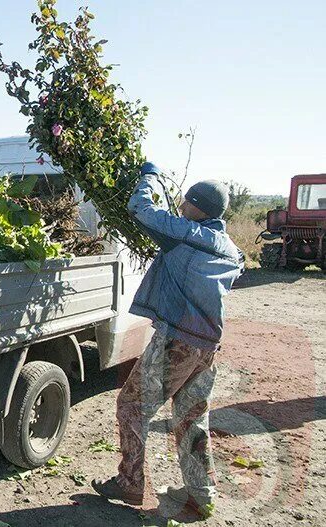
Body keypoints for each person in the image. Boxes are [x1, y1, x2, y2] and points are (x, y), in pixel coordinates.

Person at [91, 162, 244, 515]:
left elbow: (140, 209)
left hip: (177, 341)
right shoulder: (230, 248)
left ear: (197, 206)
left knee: (131, 406)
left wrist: (149, 177)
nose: (181, 206)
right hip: (207, 347)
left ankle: (129, 484)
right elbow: (241, 266)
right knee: (191, 418)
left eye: (186, 202)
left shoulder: (185, 233)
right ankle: (201, 493)